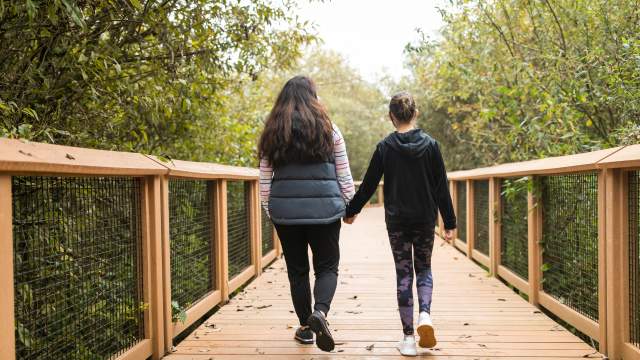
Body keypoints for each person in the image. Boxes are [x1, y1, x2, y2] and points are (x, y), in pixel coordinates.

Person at [344, 91, 456, 357]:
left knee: (404, 274)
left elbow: (369, 184)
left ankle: (408, 339)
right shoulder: (430, 146)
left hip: (397, 222)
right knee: (424, 268)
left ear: (391, 117)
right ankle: (425, 315)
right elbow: (441, 187)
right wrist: (449, 221)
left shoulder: (385, 147)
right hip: (425, 218)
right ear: (415, 114)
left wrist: (351, 210)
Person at [258, 76, 355, 352]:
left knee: (297, 271)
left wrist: (271, 210)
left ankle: (305, 328)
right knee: (327, 266)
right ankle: (320, 313)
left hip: (286, 213)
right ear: (314, 97)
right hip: (325, 213)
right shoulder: (329, 130)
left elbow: (264, 179)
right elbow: (343, 174)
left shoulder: (273, 132)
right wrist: (350, 207)